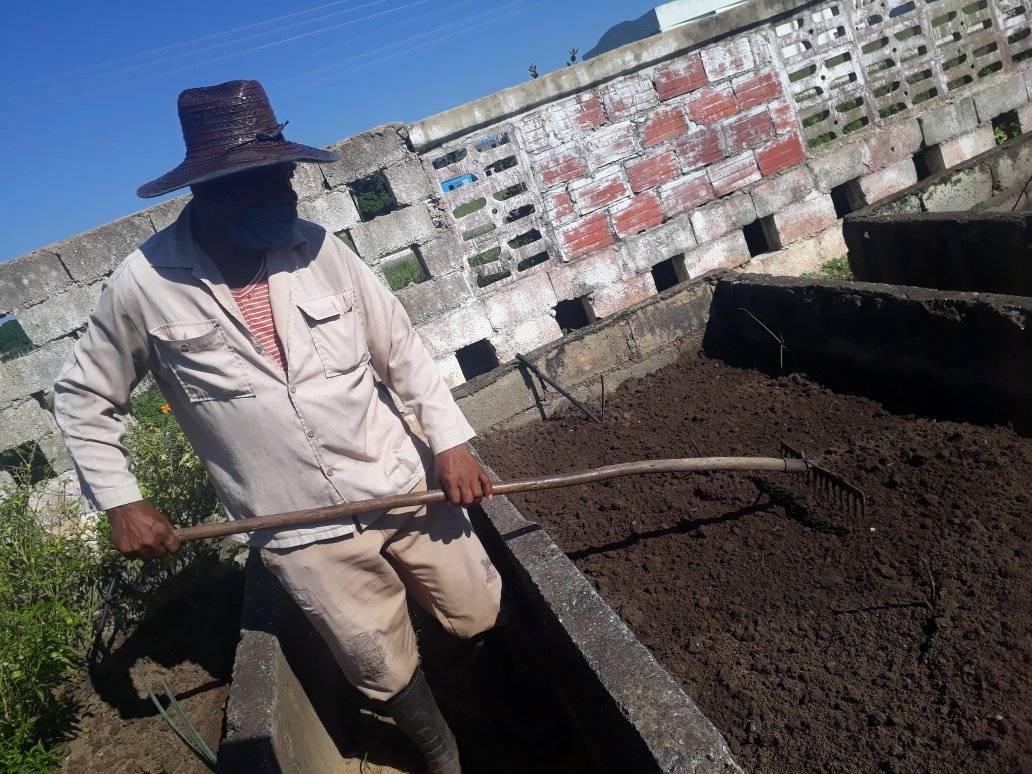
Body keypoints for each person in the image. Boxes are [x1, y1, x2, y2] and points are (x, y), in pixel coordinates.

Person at [53, 80, 503, 774]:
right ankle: (441, 748)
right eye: (262, 184)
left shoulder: (321, 250)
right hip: (298, 525)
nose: (285, 196)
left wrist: (449, 439)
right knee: (373, 657)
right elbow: (84, 399)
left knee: (476, 607)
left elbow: (401, 348)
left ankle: (479, 676)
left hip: (398, 480)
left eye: (285, 177)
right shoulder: (145, 285)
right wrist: (121, 498)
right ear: (209, 190)